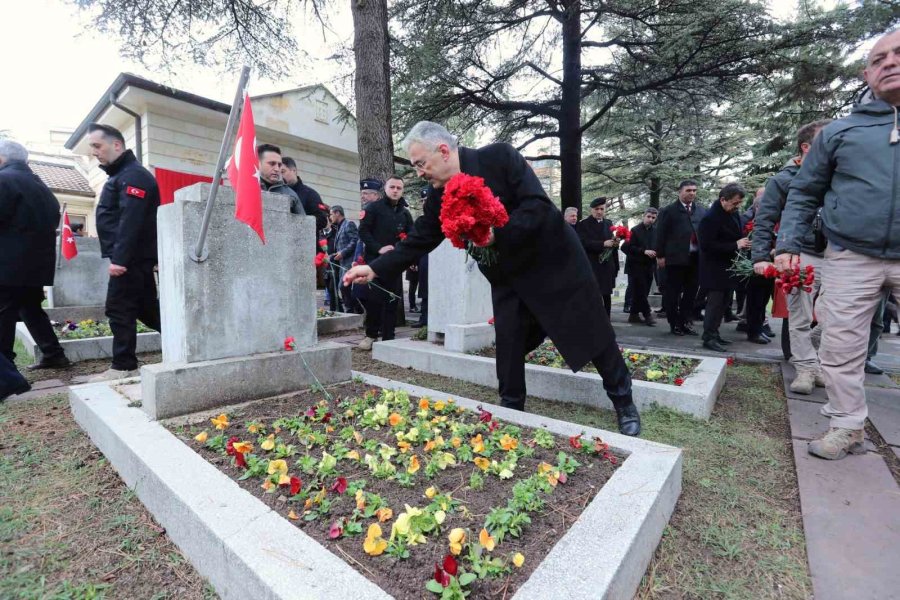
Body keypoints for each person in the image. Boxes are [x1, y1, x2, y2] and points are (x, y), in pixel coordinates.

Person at [343, 121, 641, 436]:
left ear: (443, 151)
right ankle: (511, 408)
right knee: (509, 342)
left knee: (589, 330)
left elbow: (538, 208)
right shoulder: (436, 198)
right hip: (508, 275)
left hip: (554, 261)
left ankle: (623, 401)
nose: (418, 172)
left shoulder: (499, 157)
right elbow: (418, 240)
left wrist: (496, 232)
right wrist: (375, 268)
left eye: (420, 163)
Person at [775, 28, 900, 460]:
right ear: (867, 73)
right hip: (850, 255)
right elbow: (805, 191)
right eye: (879, 58)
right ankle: (847, 426)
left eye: (898, 53)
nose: (889, 62)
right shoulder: (841, 131)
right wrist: (787, 242)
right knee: (840, 346)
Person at [752, 120, 831, 390]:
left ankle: (815, 360)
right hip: (802, 254)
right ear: (806, 147)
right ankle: (806, 369)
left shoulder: (842, 175)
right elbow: (764, 220)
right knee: (800, 316)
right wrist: (761, 256)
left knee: (842, 315)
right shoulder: (783, 180)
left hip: (841, 254)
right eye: (826, 139)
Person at [86, 124, 161, 380]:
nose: (94, 152)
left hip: (131, 260)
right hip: (133, 258)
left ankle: (123, 365)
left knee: (118, 308)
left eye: (98, 145)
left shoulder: (134, 176)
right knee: (148, 311)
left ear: (117, 145)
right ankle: (192, 341)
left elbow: (131, 220)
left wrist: (120, 260)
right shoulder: (122, 175)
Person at [0, 139, 70, 388]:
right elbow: (53, 217)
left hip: (8, 262)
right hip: (37, 263)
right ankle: (54, 354)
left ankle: (5, 370)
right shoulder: (42, 186)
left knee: (4, 312)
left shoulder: (3, 180)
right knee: (30, 308)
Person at [357, 175, 413, 349]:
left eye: (399, 188)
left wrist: (409, 257)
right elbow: (363, 232)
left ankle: (389, 337)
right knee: (374, 300)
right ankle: (371, 335)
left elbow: (412, 237)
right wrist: (378, 248)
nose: (395, 190)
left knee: (392, 301)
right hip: (374, 262)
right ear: (386, 189)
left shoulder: (405, 213)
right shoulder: (374, 208)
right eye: (392, 187)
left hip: (395, 265)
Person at [698, 184, 749, 352]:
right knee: (714, 305)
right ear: (723, 200)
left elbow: (736, 235)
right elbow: (707, 246)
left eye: (739, 203)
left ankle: (715, 333)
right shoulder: (710, 218)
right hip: (714, 270)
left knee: (724, 304)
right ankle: (708, 337)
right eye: (735, 203)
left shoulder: (732, 214)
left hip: (728, 268)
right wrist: (735, 244)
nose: (737, 206)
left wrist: (743, 243)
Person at [654, 180, 705, 336]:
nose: (692, 193)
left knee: (691, 293)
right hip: (675, 259)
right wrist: (660, 255)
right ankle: (674, 323)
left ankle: (685, 321)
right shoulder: (668, 211)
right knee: (673, 293)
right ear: (680, 192)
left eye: (694, 190)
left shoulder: (701, 211)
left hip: (695, 259)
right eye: (688, 190)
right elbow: (660, 234)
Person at [576, 197, 619, 316]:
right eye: (596, 209)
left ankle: (607, 319)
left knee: (606, 294)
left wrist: (615, 243)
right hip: (592, 264)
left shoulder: (609, 223)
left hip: (606, 265)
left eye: (602, 209)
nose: (599, 211)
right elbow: (582, 243)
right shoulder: (583, 224)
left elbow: (611, 244)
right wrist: (602, 244)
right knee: (592, 294)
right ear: (591, 210)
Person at [621, 207, 658, 326]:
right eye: (649, 217)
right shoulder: (635, 230)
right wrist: (644, 251)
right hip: (635, 265)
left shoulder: (656, 231)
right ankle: (647, 315)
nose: (650, 220)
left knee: (643, 291)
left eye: (653, 218)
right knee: (641, 291)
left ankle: (634, 315)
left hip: (649, 265)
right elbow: (628, 247)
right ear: (644, 216)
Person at [282, 156, 328, 233]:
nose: (281, 176)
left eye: (283, 172)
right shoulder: (278, 192)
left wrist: (298, 223)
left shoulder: (310, 194)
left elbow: (322, 220)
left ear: (294, 171)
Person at [329, 205, 359, 312]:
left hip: (349, 262)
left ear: (338, 213)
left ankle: (352, 310)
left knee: (343, 286)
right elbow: (342, 244)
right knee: (343, 287)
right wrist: (335, 254)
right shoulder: (339, 227)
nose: (330, 217)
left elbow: (355, 240)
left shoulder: (349, 224)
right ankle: (355, 309)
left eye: (331, 214)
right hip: (342, 263)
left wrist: (343, 253)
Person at [257, 144, 302, 211]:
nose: (277, 169)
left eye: (279, 165)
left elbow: (302, 220)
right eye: (272, 164)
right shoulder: (245, 187)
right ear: (258, 163)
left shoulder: (291, 194)